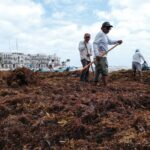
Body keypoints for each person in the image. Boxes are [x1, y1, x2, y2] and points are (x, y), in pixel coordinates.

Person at [93, 22, 123, 86]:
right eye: (107, 28)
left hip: (100, 55)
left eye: (109, 28)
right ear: (102, 28)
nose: (108, 29)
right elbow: (95, 43)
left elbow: (110, 42)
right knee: (104, 69)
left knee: (98, 70)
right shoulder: (100, 34)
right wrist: (97, 54)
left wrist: (117, 41)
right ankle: (105, 85)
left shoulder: (105, 35)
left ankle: (95, 84)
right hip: (101, 55)